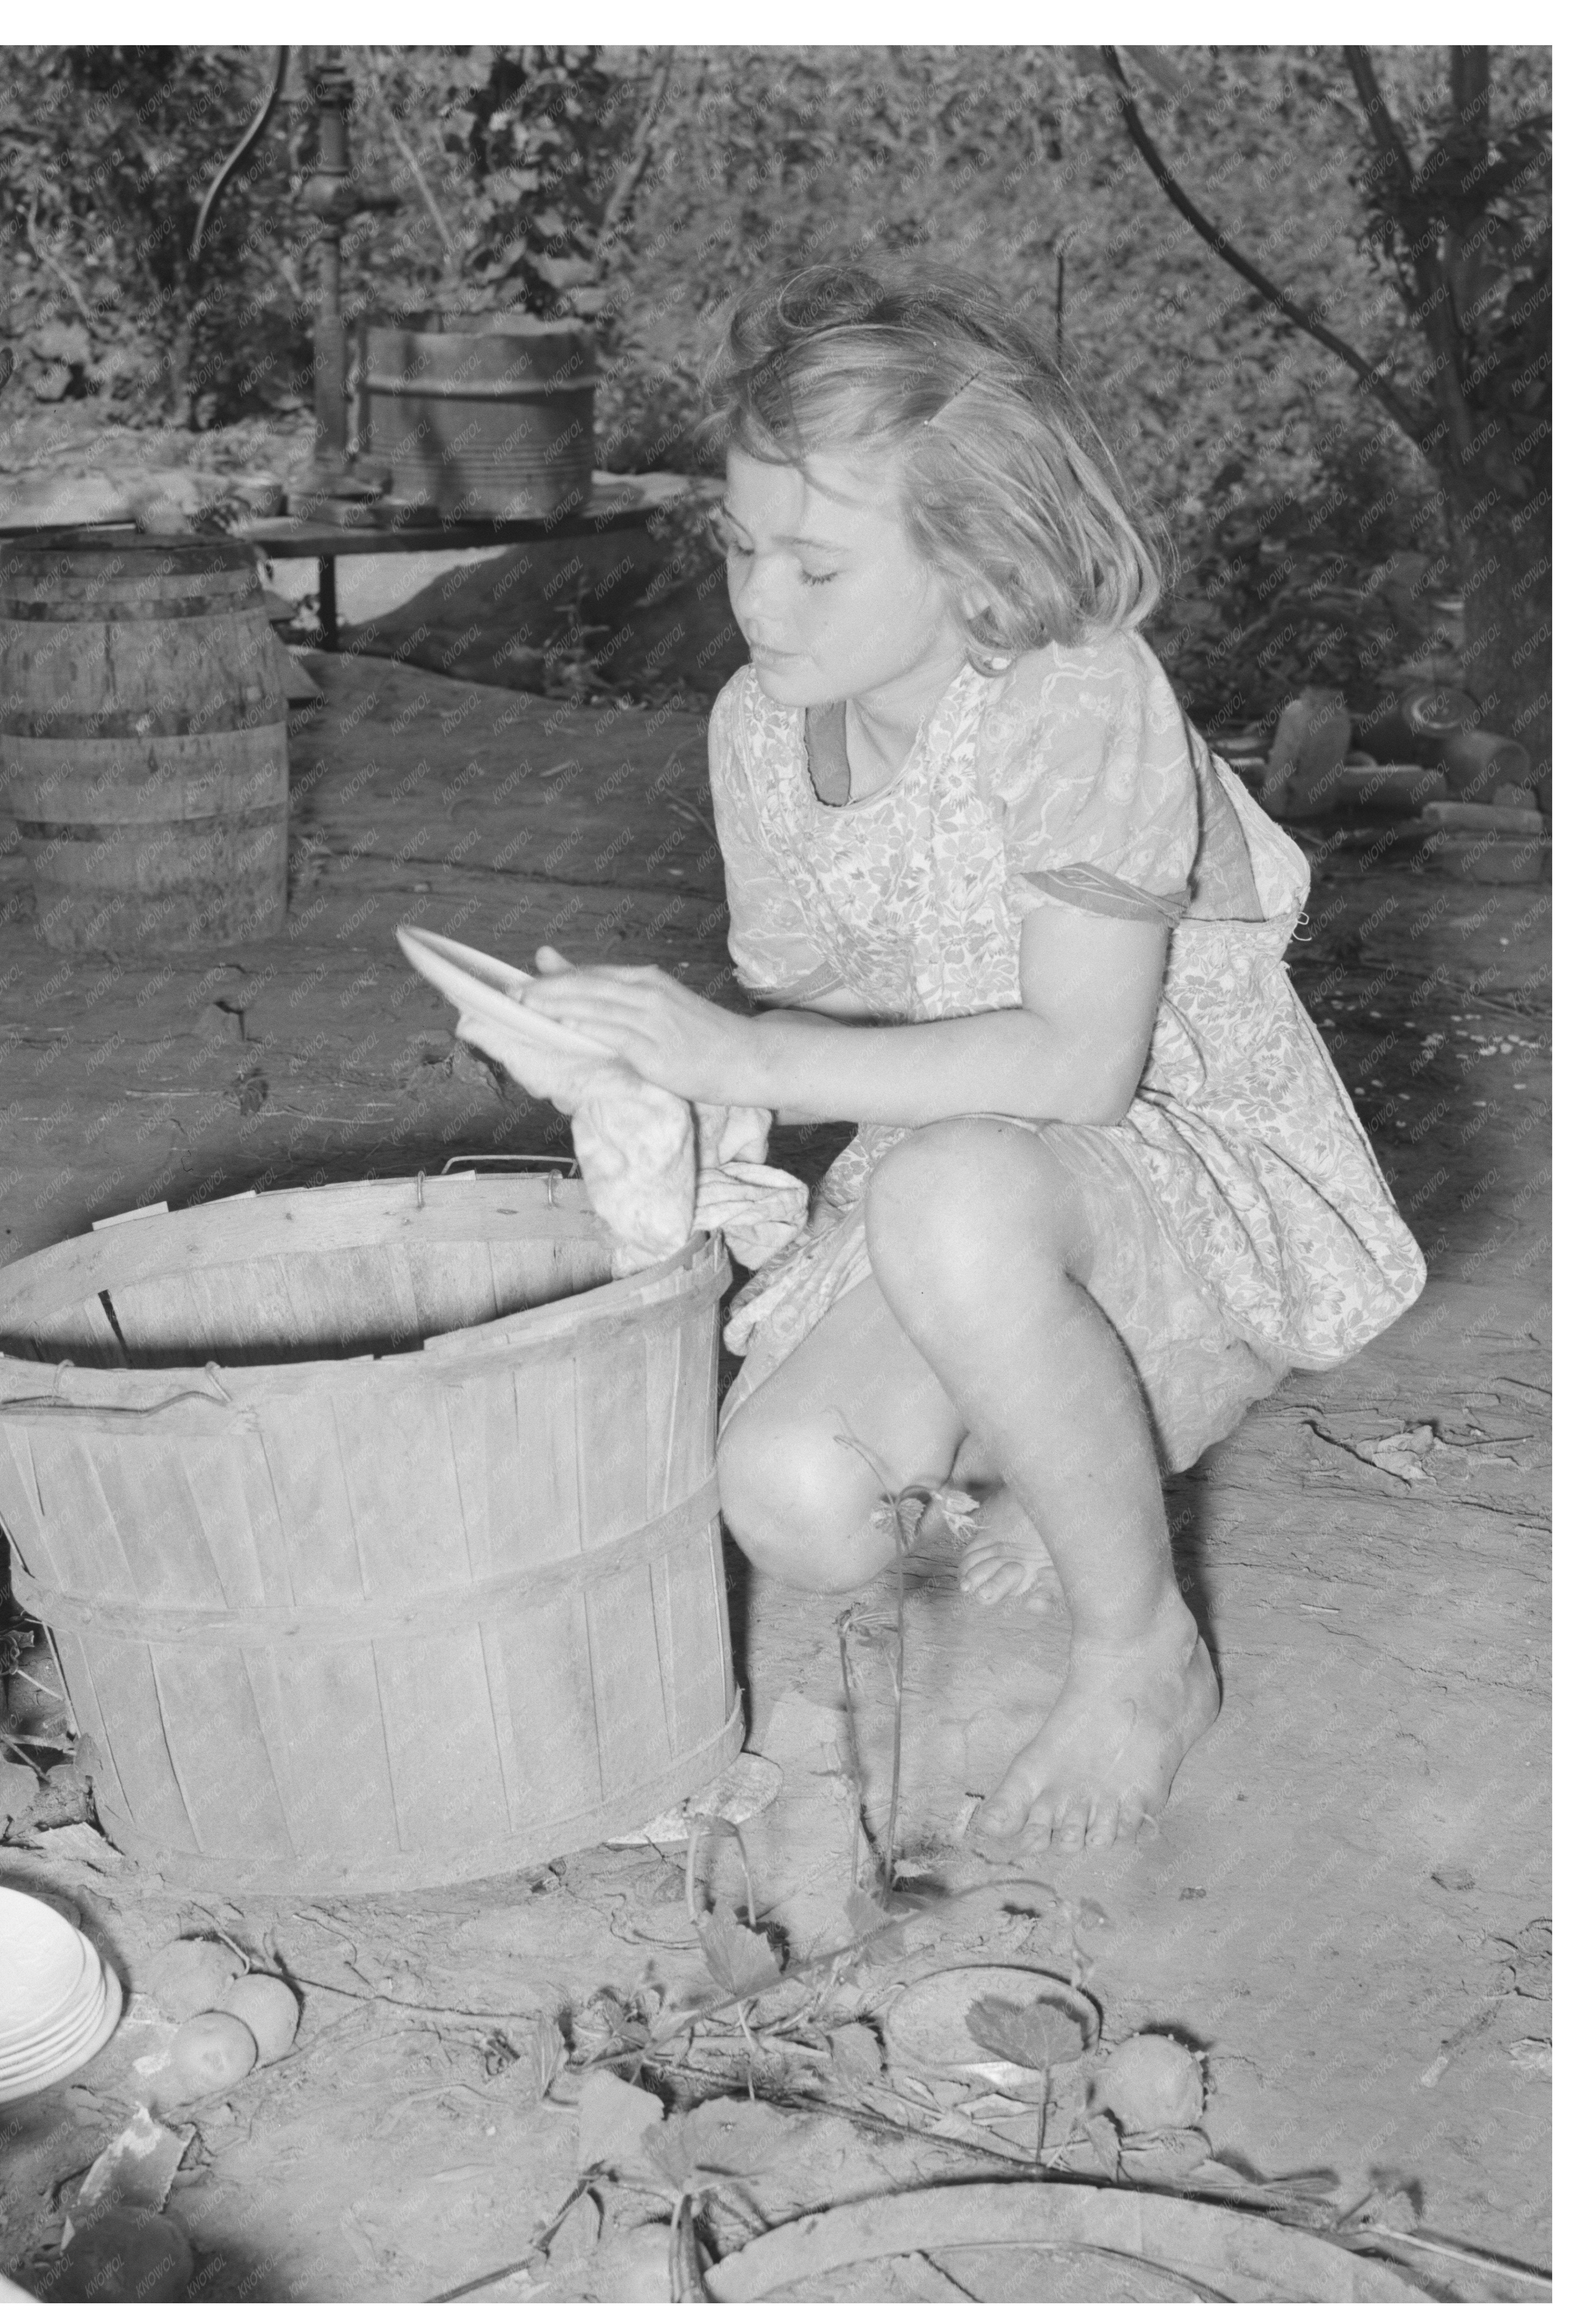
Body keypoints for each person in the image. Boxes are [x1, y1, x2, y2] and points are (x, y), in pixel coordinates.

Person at [521, 264, 1425, 1853]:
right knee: (801, 1499)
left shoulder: (1076, 702)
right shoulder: (758, 727)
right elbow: (835, 1022)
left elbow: (1082, 1066)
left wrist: (749, 1048)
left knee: (950, 1209)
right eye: (739, 549)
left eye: (814, 566)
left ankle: (1142, 1640)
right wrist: (669, 1085)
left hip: (1176, 1155)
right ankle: (1076, 1413)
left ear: (969, 553)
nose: (758, 605)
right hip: (965, 1155)